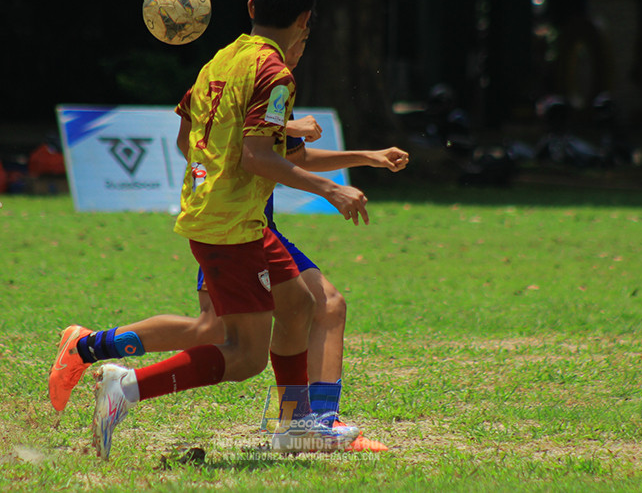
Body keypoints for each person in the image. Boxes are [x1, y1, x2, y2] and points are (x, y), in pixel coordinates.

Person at [50, 0, 372, 460]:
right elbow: (257, 156)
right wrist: (331, 190)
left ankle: (298, 424)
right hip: (232, 226)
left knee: (304, 304)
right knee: (243, 354)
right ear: (304, 20)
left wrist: (233, 165)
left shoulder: (220, 61)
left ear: (250, 7)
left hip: (227, 216)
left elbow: (188, 139)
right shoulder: (276, 72)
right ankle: (124, 388)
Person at [48, 106, 408, 453]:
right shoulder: (254, 74)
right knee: (229, 336)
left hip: (255, 224)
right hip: (233, 223)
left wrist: (366, 156)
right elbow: (211, 145)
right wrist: (288, 134)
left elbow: (290, 160)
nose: (299, 48)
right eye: (300, 40)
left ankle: (314, 425)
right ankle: (97, 355)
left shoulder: (270, 77)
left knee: (316, 307)